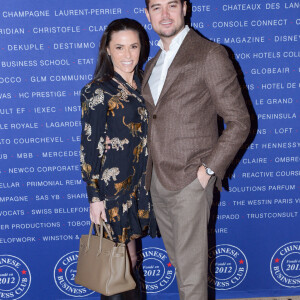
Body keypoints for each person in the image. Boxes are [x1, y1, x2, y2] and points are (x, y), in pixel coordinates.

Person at [142, 0, 251, 299]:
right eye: (156, 7)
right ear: (147, 14)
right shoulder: (152, 63)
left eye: (171, 5)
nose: (164, 14)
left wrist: (207, 171)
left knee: (191, 280)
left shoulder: (209, 54)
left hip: (191, 180)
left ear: (185, 8)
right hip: (157, 182)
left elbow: (239, 121)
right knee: (183, 267)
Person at [80, 18, 157, 300]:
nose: (128, 54)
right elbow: (89, 148)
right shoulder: (98, 90)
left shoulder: (145, 84)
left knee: (130, 260)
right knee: (115, 265)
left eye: (133, 46)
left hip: (140, 187)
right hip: (112, 192)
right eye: (120, 47)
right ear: (108, 50)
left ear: (142, 48)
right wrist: (94, 197)